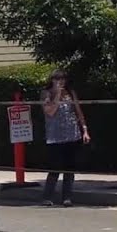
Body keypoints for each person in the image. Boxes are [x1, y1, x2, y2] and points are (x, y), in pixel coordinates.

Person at [40, 68, 90, 207]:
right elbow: (50, 112)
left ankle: (67, 197)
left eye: (62, 79)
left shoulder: (70, 93)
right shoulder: (46, 94)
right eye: (57, 79)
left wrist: (84, 130)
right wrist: (57, 94)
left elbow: (78, 112)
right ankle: (47, 197)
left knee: (69, 168)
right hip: (55, 136)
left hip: (72, 134)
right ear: (52, 80)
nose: (60, 82)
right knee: (54, 168)